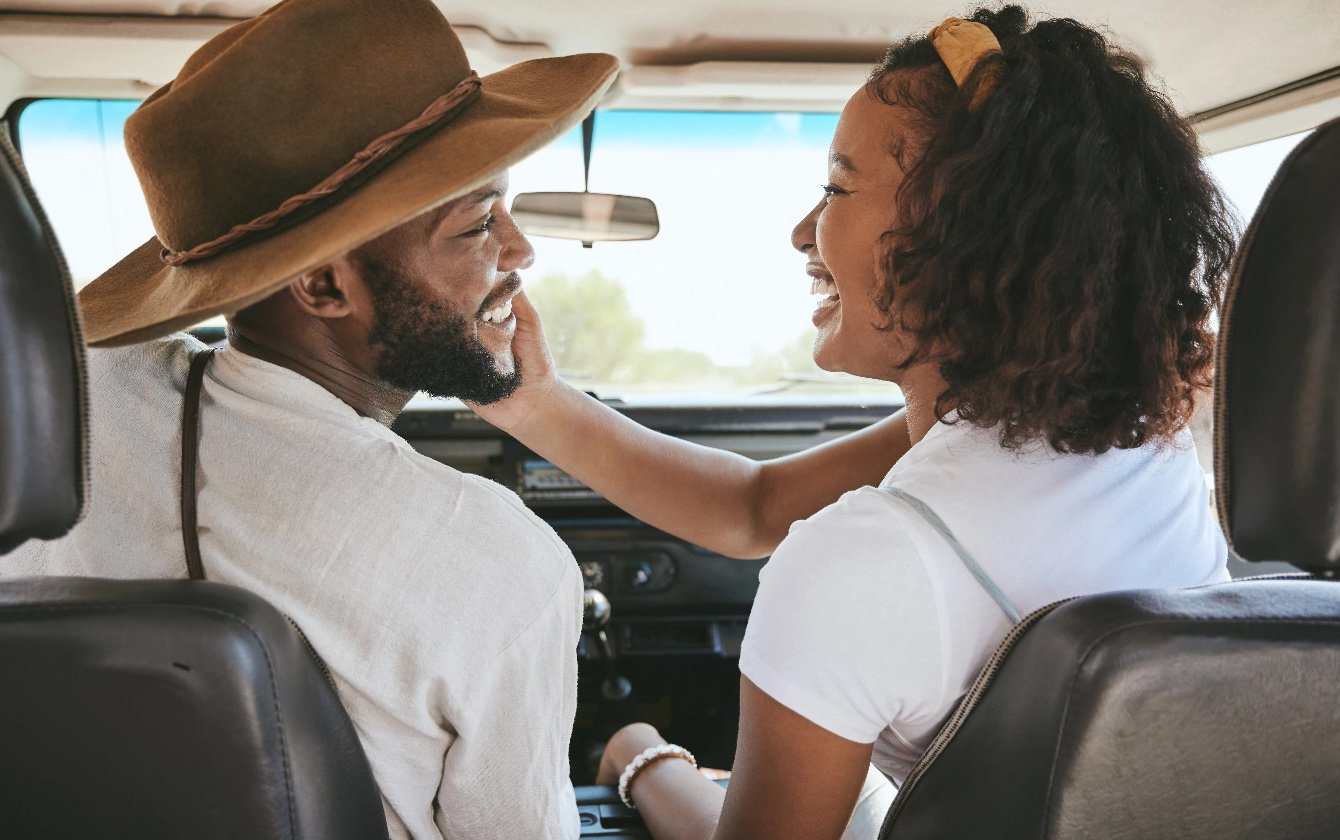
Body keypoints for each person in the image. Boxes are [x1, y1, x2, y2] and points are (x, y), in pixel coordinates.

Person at [467, 7, 1236, 839]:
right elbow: (755, 505)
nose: (803, 231)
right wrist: (534, 403)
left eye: (836, 188)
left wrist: (645, 761)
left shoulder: (868, 562)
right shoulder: (1133, 439)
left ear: (967, 233)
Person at [1, 0, 618, 837]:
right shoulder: (494, 562)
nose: (520, 251)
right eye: (476, 223)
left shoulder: (67, 417)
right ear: (324, 288)